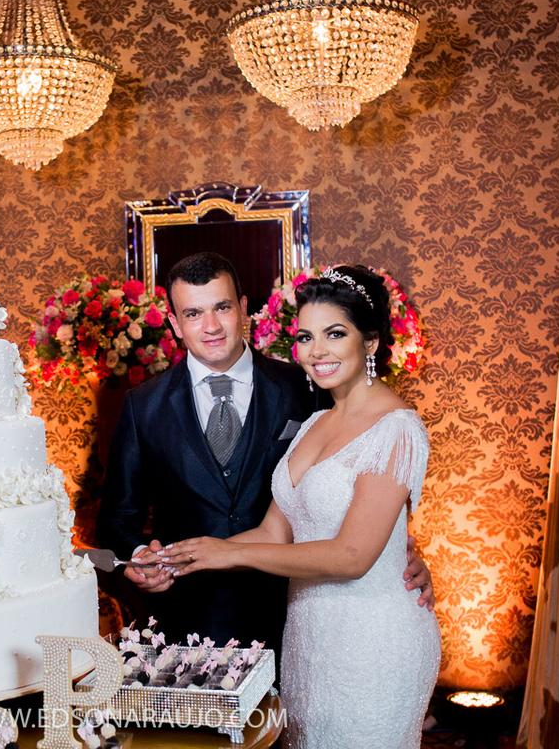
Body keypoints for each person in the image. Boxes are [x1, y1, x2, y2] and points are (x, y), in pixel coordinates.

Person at [162, 266, 442, 748]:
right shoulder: (314, 423)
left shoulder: (397, 429)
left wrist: (229, 554)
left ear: (370, 342)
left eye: (336, 334)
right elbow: (275, 533)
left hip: (373, 641)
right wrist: (191, 553)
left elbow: (352, 557)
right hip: (310, 639)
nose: (317, 351)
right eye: (306, 336)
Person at [97, 252, 433, 652]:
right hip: (188, 618)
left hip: (291, 614)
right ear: (174, 324)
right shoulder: (142, 405)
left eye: (222, 307)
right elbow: (117, 517)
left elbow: (361, 485)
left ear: (243, 309)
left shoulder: (307, 388)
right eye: (193, 313)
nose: (211, 326)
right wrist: (139, 556)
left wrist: (396, 552)